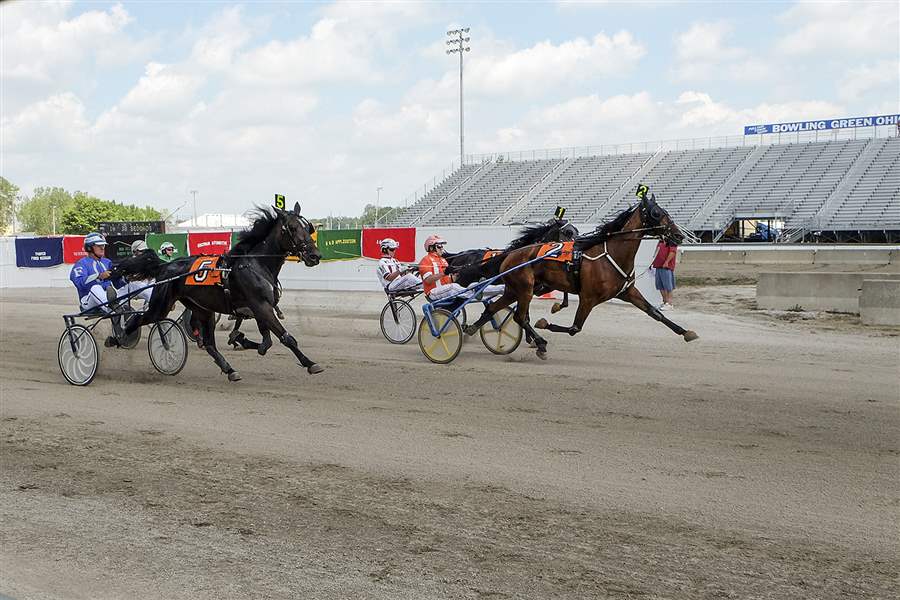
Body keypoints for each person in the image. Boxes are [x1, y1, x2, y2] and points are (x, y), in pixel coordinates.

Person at [69, 233, 132, 345]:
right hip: (88, 302)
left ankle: (155, 301)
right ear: (89, 247)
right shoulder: (81, 264)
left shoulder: (107, 262)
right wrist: (98, 276)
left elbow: (117, 284)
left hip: (107, 298)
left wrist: (127, 279)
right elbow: (79, 283)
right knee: (96, 287)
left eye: (103, 245)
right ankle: (112, 308)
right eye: (99, 245)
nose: (103, 247)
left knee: (132, 284)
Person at [417, 234, 503, 302]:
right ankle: (475, 294)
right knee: (454, 287)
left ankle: (502, 288)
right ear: (431, 247)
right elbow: (428, 280)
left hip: (445, 290)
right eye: (439, 246)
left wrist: (458, 273)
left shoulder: (443, 260)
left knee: (473, 284)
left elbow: (451, 278)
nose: (442, 248)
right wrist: (444, 273)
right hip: (433, 292)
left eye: (442, 246)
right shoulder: (425, 260)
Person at [652, 239, 678, 310]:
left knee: (668, 286)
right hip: (658, 266)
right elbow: (657, 251)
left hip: (666, 267)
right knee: (660, 285)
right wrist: (653, 261)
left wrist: (667, 262)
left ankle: (669, 303)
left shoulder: (672, 240)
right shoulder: (660, 241)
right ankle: (665, 302)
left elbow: (673, 251)